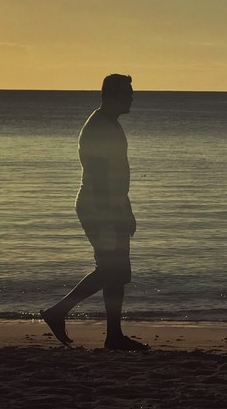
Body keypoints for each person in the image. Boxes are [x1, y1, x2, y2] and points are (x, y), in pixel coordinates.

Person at [41, 74, 148, 350]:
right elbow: (99, 177)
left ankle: (113, 334)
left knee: (116, 271)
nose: (132, 97)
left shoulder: (110, 124)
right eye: (128, 93)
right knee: (111, 269)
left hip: (110, 205)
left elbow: (118, 175)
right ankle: (59, 312)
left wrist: (127, 208)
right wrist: (115, 213)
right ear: (113, 96)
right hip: (98, 207)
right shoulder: (99, 127)